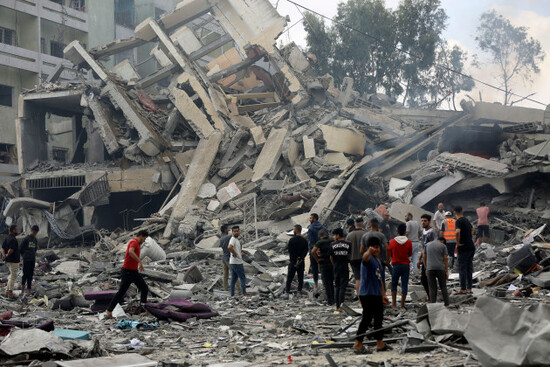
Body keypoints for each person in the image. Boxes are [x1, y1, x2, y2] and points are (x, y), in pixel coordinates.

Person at [353, 236, 391, 354]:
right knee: (367, 318)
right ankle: (358, 343)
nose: (376, 249)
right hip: (367, 293)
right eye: (374, 247)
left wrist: (383, 294)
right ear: (369, 248)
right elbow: (364, 257)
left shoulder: (378, 261)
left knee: (378, 318)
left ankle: (380, 343)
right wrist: (368, 251)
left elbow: (380, 280)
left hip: (376, 294)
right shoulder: (368, 259)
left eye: (378, 247)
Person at [106, 230, 149, 318]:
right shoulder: (134, 242)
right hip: (127, 272)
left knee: (144, 288)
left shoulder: (137, 244)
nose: (144, 241)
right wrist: (139, 261)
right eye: (144, 238)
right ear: (141, 236)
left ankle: (143, 310)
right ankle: (109, 310)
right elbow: (130, 251)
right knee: (121, 292)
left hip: (134, 272)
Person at [388, 223, 412, 309]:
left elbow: (390, 254)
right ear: (405, 232)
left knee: (394, 284)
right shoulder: (409, 242)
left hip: (396, 265)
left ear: (397, 231)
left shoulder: (392, 241)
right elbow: (409, 254)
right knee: (404, 284)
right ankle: (402, 305)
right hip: (405, 265)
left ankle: (394, 304)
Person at [361, 219, 388, 290]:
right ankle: (382, 296)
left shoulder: (365, 236)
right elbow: (387, 248)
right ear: (378, 225)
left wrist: (365, 258)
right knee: (381, 279)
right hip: (381, 260)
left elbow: (361, 250)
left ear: (370, 224)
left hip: (369, 261)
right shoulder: (381, 235)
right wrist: (387, 260)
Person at [454, 206, 475, 294]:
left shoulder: (458, 221)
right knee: (469, 267)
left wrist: (458, 242)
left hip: (463, 247)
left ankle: (463, 288)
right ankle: (469, 288)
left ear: (454, 212)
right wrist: (469, 237)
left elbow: (457, 232)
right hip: (471, 246)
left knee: (462, 267)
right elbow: (473, 229)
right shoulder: (466, 220)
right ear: (462, 211)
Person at [330, 228, 351, 312]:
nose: (334, 237)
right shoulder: (349, 244)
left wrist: (334, 264)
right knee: (343, 287)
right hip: (345, 266)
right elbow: (349, 256)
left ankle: (337, 306)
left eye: (334, 235)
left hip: (336, 267)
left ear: (338, 235)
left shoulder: (332, 244)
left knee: (337, 286)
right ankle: (341, 306)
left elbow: (331, 257)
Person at [346, 217, 367, 301]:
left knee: (357, 278)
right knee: (365, 278)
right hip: (364, 258)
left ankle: (359, 297)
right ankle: (365, 295)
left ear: (355, 224)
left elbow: (347, 249)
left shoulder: (349, 235)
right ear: (362, 224)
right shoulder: (365, 234)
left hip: (353, 259)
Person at [425, 236, 450, 306]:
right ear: (442, 241)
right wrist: (446, 270)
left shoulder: (427, 245)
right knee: (443, 287)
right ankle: (447, 304)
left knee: (432, 288)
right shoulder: (443, 246)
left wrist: (426, 267)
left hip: (430, 269)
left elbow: (424, 256)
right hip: (440, 268)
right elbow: (445, 258)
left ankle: (433, 305)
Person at [312, 230, 334, 306]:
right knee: (331, 282)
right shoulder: (332, 240)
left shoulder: (319, 243)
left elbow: (312, 252)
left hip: (323, 264)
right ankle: (334, 299)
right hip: (332, 264)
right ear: (326, 234)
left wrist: (317, 260)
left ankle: (330, 301)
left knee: (326, 283)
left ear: (319, 236)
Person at [285, 225, 309, 295]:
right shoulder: (304, 241)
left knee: (290, 277)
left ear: (296, 230)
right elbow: (306, 251)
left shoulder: (292, 240)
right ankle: (299, 291)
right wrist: (300, 258)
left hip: (293, 261)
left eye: (294, 230)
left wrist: (295, 259)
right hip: (301, 262)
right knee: (300, 277)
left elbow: (290, 251)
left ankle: (287, 292)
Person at [417, 214, 436, 298]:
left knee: (428, 279)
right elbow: (423, 247)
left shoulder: (432, 232)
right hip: (425, 258)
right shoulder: (423, 232)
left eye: (425, 221)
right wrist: (419, 259)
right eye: (422, 221)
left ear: (429, 221)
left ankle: (432, 297)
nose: (423, 222)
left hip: (431, 259)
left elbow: (435, 246)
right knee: (424, 279)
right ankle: (430, 296)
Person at [307, 213, 328, 291]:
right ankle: (323, 284)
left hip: (314, 251)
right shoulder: (323, 228)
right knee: (323, 268)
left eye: (311, 218)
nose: (310, 219)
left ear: (315, 219)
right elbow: (326, 238)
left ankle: (316, 285)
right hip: (323, 251)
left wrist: (316, 248)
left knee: (314, 268)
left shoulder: (310, 228)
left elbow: (311, 241)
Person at [228, 226, 249, 297]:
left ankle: (232, 294)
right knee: (242, 278)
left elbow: (235, 248)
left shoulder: (236, 240)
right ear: (232, 232)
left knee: (233, 279)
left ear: (239, 231)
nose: (236, 232)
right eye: (235, 231)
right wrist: (235, 254)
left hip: (233, 262)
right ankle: (244, 294)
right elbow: (229, 247)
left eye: (237, 231)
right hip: (237, 262)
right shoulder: (233, 239)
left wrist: (242, 251)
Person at [1, 225, 20, 299]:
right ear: (13, 230)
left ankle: (7, 291)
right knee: (13, 276)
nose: (17, 231)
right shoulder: (13, 239)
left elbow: (2, 248)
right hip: (13, 261)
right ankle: (10, 292)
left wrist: (4, 255)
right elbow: (11, 250)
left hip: (8, 261)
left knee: (11, 275)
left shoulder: (7, 238)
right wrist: (7, 255)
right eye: (16, 229)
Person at [20, 225, 39, 295]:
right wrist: (24, 255)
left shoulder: (35, 239)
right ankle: (22, 290)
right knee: (25, 274)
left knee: (30, 275)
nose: (34, 234)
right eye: (34, 232)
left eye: (36, 233)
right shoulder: (26, 239)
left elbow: (35, 249)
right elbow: (21, 248)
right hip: (26, 259)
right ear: (32, 231)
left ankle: (29, 290)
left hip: (32, 259)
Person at [219, 225, 234, 292]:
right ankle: (239, 290)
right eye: (227, 229)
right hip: (228, 258)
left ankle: (225, 289)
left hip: (224, 258)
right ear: (225, 230)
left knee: (225, 275)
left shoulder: (221, 238)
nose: (228, 230)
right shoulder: (227, 237)